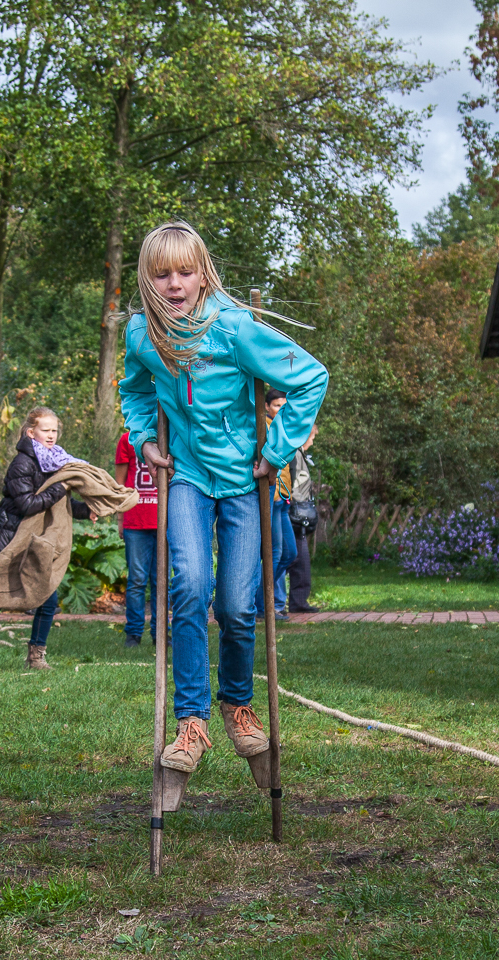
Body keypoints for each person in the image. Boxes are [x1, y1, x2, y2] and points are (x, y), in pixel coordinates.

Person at [119, 221, 327, 776]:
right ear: (148, 278)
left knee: (238, 605)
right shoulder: (142, 334)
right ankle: (192, 720)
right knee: (187, 586)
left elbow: (311, 377)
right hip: (185, 476)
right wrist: (144, 439)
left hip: (241, 481)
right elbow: (135, 392)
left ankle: (237, 704)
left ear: (203, 273)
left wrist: (277, 450)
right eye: (161, 274)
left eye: (185, 271)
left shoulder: (234, 328)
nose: (174, 283)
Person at [0, 407, 93, 672]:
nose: (51, 435)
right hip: (13, 542)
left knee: (49, 600)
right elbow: (28, 505)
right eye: (46, 430)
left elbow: (59, 504)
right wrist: (61, 487)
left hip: (39, 544)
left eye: (55, 430)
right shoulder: (22, 463)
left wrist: (85, 510)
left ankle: (36, 657)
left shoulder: (56, 460)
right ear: (31, 432)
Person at [254, 389, 297, 620]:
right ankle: (261, 606)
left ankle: (259, 599)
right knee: (275, 553)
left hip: (283, 500)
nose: (282, 409)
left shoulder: (283, 428)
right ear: (267, 407)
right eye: (278, 405)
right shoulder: (265, 427)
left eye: (285, 405)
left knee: (289, 553)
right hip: (271, 498)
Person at [114, 432, 158, 647]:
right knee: (137, 580)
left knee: (161, 582)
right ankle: (133, 633)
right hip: (136, 520)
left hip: (165, 522)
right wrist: (120, 518)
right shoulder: (127, 440)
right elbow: (119, 486)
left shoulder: (171, 435)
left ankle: (161, 633)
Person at [287, 424, 320, 613]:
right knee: (292, 556)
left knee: (300, 558)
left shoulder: (300, 454)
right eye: (312, 437)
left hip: (298, 512)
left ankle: (299, 602)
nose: (312, 442)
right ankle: (293, 602)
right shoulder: (294, 454)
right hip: (294, 511)